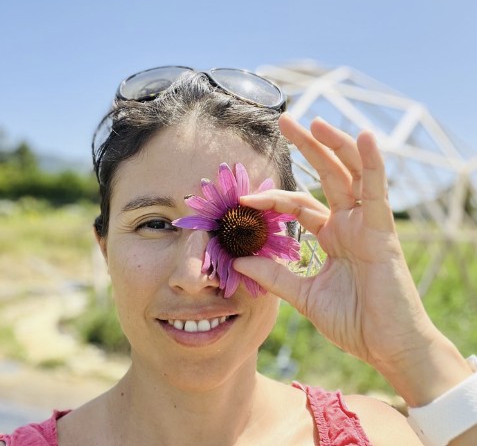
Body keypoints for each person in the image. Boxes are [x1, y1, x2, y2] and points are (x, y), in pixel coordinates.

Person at [1, 66, 476, 445]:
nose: (196, 276)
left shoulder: (376, 436)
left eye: (239, 225)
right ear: (105, 249)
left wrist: (411, 353)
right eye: (155, 224)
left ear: (289, 243)